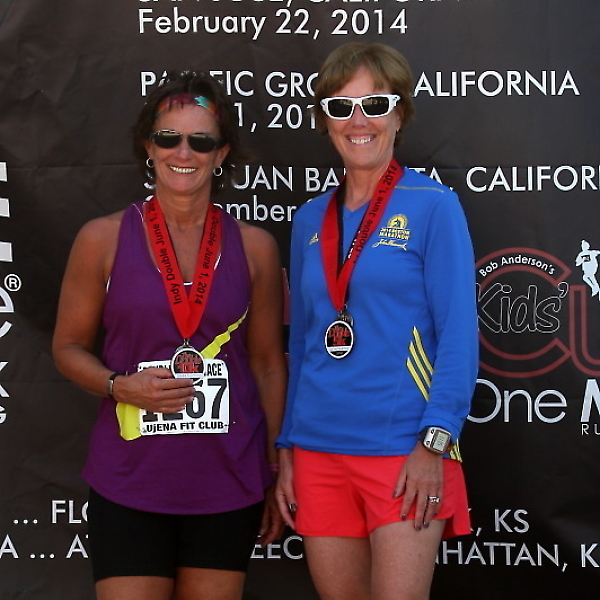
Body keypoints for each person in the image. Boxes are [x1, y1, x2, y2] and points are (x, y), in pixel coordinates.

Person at [52, 70, 287, 600]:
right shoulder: (102, 239)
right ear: (148, 146)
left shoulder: (255, 247)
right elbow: (66, 348)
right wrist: (119, 386)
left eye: (201, 141)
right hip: (131, 477)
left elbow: (269, 364)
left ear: (221, 154)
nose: (184, 152)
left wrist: (274, 466)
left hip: (228, 478)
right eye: (169, 138)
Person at [275, 43, 479, 600]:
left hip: (403, 448)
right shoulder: (309, 219)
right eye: (341, 107)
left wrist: (434, 444)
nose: (358, 120)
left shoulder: (433, 205)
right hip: (317, 450)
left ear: (400, 113)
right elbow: (305, 344)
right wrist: (288, 445)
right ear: (325, 121)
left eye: (375, 104)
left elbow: (459, 337)